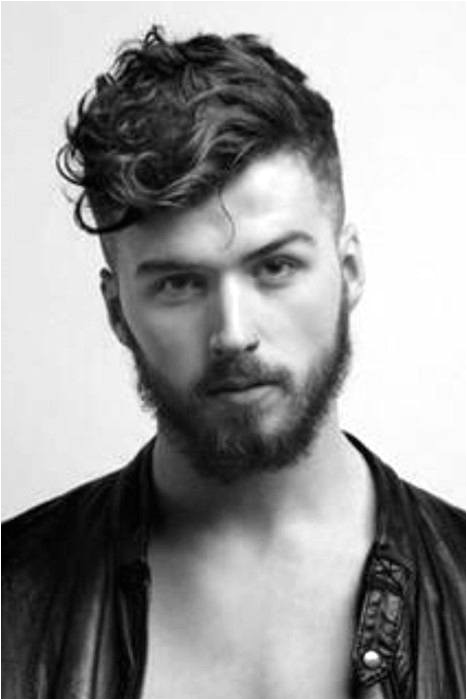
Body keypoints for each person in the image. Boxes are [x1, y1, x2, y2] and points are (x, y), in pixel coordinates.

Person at [2, 24, 464, 700]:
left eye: (275, 267)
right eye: (178, 284)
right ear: (117, 310)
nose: (233, 333)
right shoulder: (13, 601)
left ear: (348, 271)